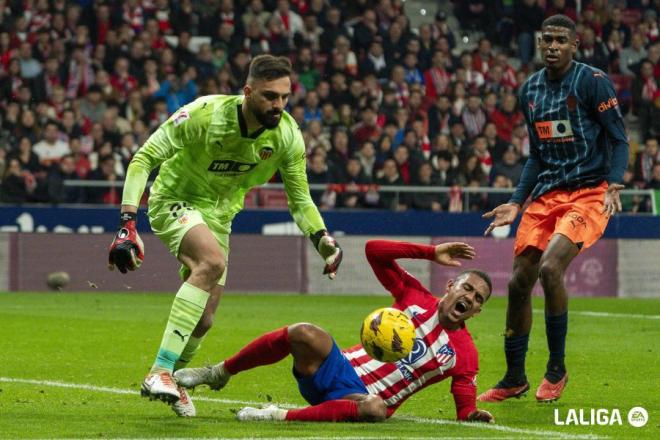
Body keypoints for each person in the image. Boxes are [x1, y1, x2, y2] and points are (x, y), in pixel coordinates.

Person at [107, 55, 343, 417]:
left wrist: (321, 238)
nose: (278, 105)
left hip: (221, 215)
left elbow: (300, 199)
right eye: (269, 96)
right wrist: (128, 222)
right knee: (211, 262)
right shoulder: (204, 114)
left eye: (284, 96)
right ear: (247, 92)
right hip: (175, 198)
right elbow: (143, 158)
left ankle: (171, 377)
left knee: (205, 319)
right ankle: (159, 371)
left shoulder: (287, 137)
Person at [174, 239, 494, 424]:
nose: (469, 298)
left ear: (478, 311)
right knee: (303, 331)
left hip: (364, 399)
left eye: (478, 298)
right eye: (467, 289)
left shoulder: (465, 354)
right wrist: (429, 252)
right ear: (451, 285)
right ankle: (219, 373)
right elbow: (374, 250)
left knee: (376, 409)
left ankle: (278, 415)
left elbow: (464, 409)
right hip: (336, 367)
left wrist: (473, 415)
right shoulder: (414, 296)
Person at [480, 15, 629, 403]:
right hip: (546, 196)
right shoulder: (530, 90)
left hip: (588, 192)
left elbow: (619, 139)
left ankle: (556, 370)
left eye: (561, 40)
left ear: (575, 45)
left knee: (550, 268)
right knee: (517, 283)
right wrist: (516, 201)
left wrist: (614, 182)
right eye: (547, 39)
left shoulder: (592, 82)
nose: (552, 46)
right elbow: (536, 155)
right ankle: (514, 377)